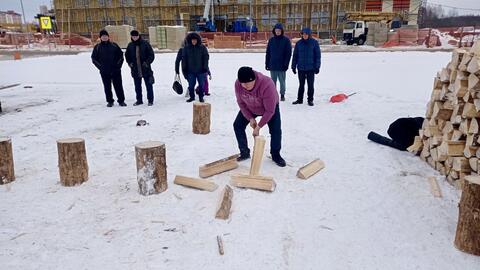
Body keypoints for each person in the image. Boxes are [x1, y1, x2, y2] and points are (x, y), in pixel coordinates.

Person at [233, 66, 286, 167]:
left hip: (269, 108)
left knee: (275, 130)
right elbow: (241, 103)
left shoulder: (267, 84)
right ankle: (244, 152)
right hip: (250, 106)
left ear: (254, 79)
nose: (245, 86)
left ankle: (276, 154)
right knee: (237, 125)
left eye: (248, 83)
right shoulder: (238, 84)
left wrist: (258, 127)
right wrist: (250, 118)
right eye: (242, 84)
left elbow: (270, 111)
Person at [91, 29, 127, 107]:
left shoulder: (114, 45)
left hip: (115, 71)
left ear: (108, 37)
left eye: (106, 36)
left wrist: (118, 66)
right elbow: (94, 59)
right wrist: (101, 67)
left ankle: (121, 101)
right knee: (107, 87)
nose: (104, 37)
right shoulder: (97, 47)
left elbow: (121, 56)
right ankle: (110, 101)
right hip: (104, 71)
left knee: (118, 86)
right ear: (100, 37)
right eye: (103, 36)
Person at [291, 27, 321, 106]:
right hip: (301, 68)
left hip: (311, 68)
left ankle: (310, 100)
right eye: (303, 34)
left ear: (309, 34)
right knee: (301, 85)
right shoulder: (299, 43)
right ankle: (299, 99)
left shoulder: (314, 43)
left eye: (306, 34)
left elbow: (318, 56)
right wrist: (293, 66)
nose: (304, 35)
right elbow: (295, 56)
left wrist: (317, 66)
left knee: (310, 85)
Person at [125, 30, 155, 106]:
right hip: (135, 69)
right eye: (133, 36)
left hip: (145, 68)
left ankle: (150, 100)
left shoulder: (145, 44)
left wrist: (147, 63)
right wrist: (130, 63)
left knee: (149, 85)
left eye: (136, 36)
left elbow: (151, 55)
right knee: (137, 86)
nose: (135, 38)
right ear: (131, 37)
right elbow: (127, 56)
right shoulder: (130, 45)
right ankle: (139, 100)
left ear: (139, 36)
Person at [265, 23, 292, 102]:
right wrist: (267, 63)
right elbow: (268, 53)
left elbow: (288, 53)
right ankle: (273, 95)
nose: (277, 32)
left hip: (281, 66)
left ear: (282, 31)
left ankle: (282, 95)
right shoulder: (271, 40)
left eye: (279, 30)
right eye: (276, 30)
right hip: (272, 65)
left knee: (282, 82)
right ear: (274, 31)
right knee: (272, 82)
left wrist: (286, 64)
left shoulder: (286, 40)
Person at [182, 32, 209, 103]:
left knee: (202, 86)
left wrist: (205, 67)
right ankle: (192, 97)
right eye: (192, 40)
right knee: (191, 86)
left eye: (195, 40)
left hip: (200, 71)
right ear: (190, 40)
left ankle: (201, 97)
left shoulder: (202, 47)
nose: (194, 41)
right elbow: (184, 59)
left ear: (197, 40)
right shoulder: (186, 48)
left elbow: (206, 57)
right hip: (190, 71)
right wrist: (184, 69)